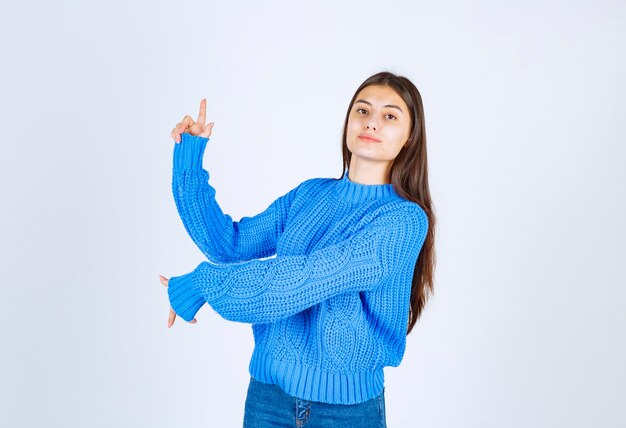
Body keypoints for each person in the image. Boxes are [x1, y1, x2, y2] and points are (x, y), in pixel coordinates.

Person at [160, 71, 436, 427]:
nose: (372, 123)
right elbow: (228, 245)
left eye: (390, 116)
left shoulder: (404, 221)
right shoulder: (308, 195)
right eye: (362, 111)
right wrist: (189, 160)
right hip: (267, 399)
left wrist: (205, 283)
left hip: (347, 412)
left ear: (410, 137)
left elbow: (307, 278)